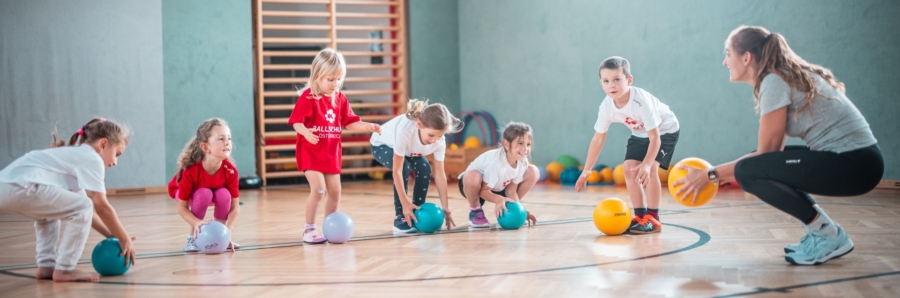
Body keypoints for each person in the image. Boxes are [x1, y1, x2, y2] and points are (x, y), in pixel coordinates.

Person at [673, 25, 883, 265]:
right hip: (859, 161)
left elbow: (766, 156)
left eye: (728, 53)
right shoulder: (779, 76)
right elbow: (770, 157)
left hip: (855, 164)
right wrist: (715, 175)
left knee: (747, 170)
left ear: (746, 57)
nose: (725, 62)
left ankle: (828, 235)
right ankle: (824, 231)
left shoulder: (774, 80)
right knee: (755, 165)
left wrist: (710, 175)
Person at [0, 118, 136, 282]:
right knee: (84, 206)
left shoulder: (74, 158)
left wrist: (112, 235)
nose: (115, 162)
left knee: (49, 215)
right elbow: (101, 206)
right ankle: (65, 269)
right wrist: (123, 237)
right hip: (23, 186)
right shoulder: (92, 158)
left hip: (7, 187)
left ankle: (46, 266)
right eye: (117, 154)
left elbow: (88, 215)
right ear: (103, 144)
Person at [576, 56, 681, 234]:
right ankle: (640, 216)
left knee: (651, 169)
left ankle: (654, 218)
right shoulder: (606, 106)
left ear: (629, 80)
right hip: (640, 133)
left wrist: (647, 164)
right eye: (606, 81)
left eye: (617, 79)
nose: (612, 85)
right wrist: (587, 169)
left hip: (665, 130)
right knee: (629, 168)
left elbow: (655, 138)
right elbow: (598, 139)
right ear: (601, 83)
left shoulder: (641, 101)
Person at [289, 48, 382, 243]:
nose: (335, 83)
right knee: (319, 189)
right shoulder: (308, 97)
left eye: (338, 79)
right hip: (310, 152)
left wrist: (368, 126)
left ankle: (328, 229)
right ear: (317, 76)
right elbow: (296, 122)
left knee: (335, 192)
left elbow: (349, 122)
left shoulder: (340, 98)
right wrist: (306, 132)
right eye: (330, 79)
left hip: (331, 154)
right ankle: (309, 230)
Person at [167, 118, 241, 252]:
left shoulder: (231, 171)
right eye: (221, 139)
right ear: (205, 147)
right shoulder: (191, 170)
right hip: (188, 194)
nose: (227, 143)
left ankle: (220, 238)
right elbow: (182, 207)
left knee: (224, 195)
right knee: (204, 193)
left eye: (229, 138)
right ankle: (192, 238)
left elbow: (235, 207)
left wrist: (227, 231)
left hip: (211, 191)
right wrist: (196, 223)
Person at [458, 122, 539, 228]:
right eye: (520, 143)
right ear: (506, 144)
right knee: (472, 175)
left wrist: (520, 211)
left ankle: (508, 207)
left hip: (498, 187)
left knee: (533, 171)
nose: (525, 149)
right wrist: (498, 200)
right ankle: (475, 211)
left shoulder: (522, 162)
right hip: (474, 186)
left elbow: (511, 190)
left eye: (528, 144)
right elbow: (484, 191)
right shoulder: (495, 162)